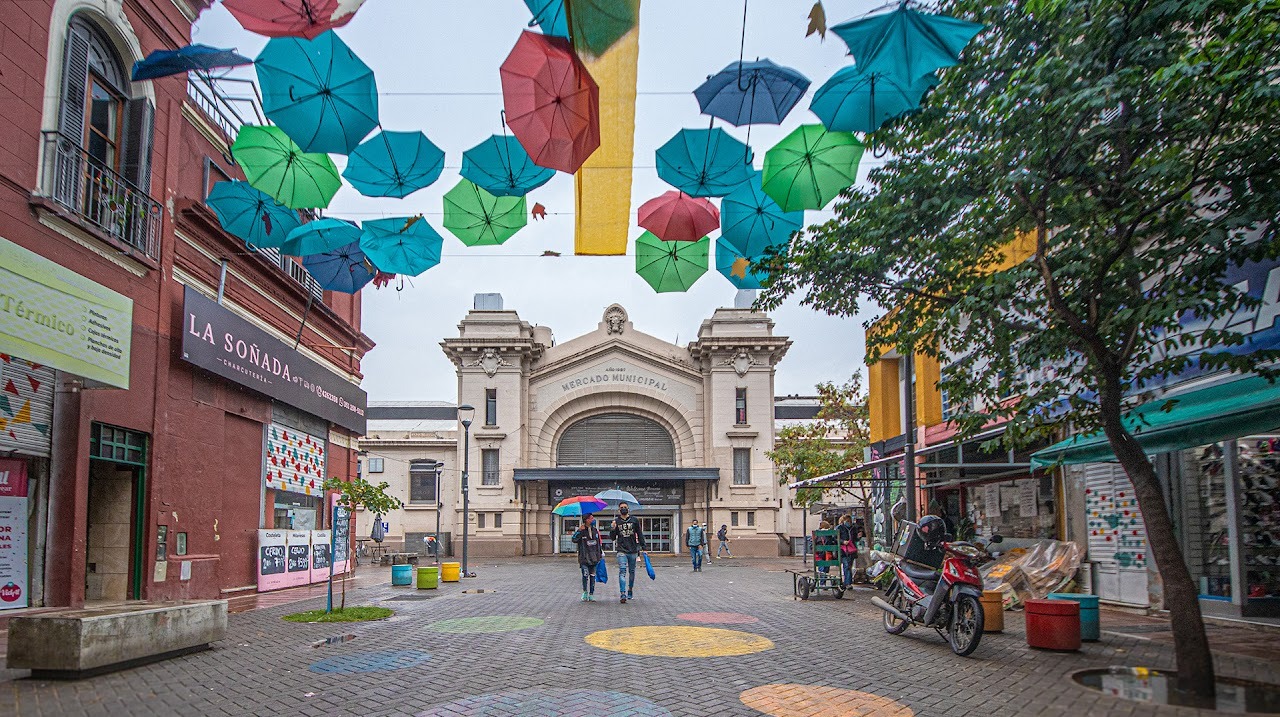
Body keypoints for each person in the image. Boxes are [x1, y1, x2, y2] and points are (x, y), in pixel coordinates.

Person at [610, 503, 646, 603]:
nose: (623, 509)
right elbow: (612, 538)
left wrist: (643, 547)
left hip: (633, 550)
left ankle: (630, 589)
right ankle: (623, 593)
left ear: (628, 509)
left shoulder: (634, 520)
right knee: (622, 571)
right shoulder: (616, 521)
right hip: (621, 550)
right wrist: (613, 528)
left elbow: (639, 533)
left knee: (632, 572)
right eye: (621, 508)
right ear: (618, 510)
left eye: (625, 507)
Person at [571, 513, 603, 602]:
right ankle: (585, 591)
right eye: (591, 518)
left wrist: (600, 555)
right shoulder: (582, 531)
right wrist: (578, 531)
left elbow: (598, 543)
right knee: (585, 575)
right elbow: (574, 539)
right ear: (587, 520)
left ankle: (591, 594)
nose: (593, 520)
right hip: (584, 557)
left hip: (594, 557)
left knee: (593, 576)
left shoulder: (595, 530)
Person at [837, 514, 858, 589]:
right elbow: (835, 538)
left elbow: (855, 538)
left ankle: (847, 582)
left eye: (850, 521)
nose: (849, 522)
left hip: (851, 550)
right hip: (843, 550)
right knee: (847, 566)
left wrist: (858, 536)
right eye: (847, 521)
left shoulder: (853, 528)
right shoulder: (839, 528)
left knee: (849, 566)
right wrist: (842, 541)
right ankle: (848, 583)